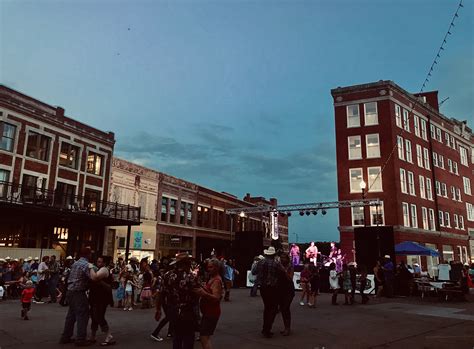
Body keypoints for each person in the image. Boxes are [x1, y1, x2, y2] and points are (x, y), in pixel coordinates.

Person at [155, 252, 201, 349]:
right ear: (186, 263)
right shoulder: (191, 277)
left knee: (177, 338)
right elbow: (197, 294)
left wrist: (158, 309)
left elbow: (161, 293)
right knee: (188, 338)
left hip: (173, 310)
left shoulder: (167, 275)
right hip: (188, 311)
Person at [59, 247, 96, 347]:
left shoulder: (75, 263)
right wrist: (92, 268)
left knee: (71, 315)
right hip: (79, 292)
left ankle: (65, 336)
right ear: (88, 255)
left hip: (70, 291)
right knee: (82, 315)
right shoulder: (85, 264)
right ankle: (80, 339)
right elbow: (93, 277)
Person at [252, 246, 286, 338]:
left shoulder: (260, 262)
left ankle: (265, 328)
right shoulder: (276, 264)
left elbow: (253, 272)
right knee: (273, 308)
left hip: (263, 287)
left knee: (267, 307)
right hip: (273, 288)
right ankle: (267, 328)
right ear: (273, 255)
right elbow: (284, 272)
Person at [88, 256, 115, 346]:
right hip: (95, 297)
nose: (98, 263)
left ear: (104, 263)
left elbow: (95, 278)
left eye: (100, 261)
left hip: (101, 298)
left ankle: (108, 335)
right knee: (94, 316)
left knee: (99, 316)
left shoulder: (104, 270)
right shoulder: (100, 269)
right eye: (97, 261)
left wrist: (90, 267)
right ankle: (93, 336)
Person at [199, 258, 224, 349]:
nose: (209, 269)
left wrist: (203, 293)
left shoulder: (216, 280)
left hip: (212, 312)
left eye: (211, 267)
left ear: (217, 268)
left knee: (204, 337)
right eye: (208, 267)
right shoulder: (211, 278)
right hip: (208, 311)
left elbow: (216, 298)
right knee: (205, 336)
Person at [278, 254, 295, 336]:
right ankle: (286, 327)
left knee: (286, 308)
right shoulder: (279, 267)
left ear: (287, 259)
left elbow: (290, 278)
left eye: (283, 258)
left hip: (289, 290)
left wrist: (284, 271)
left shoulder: (290, 267)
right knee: (283, 309)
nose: (282, 259)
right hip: (281, 290)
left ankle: (287, 328)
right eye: (281, 258)